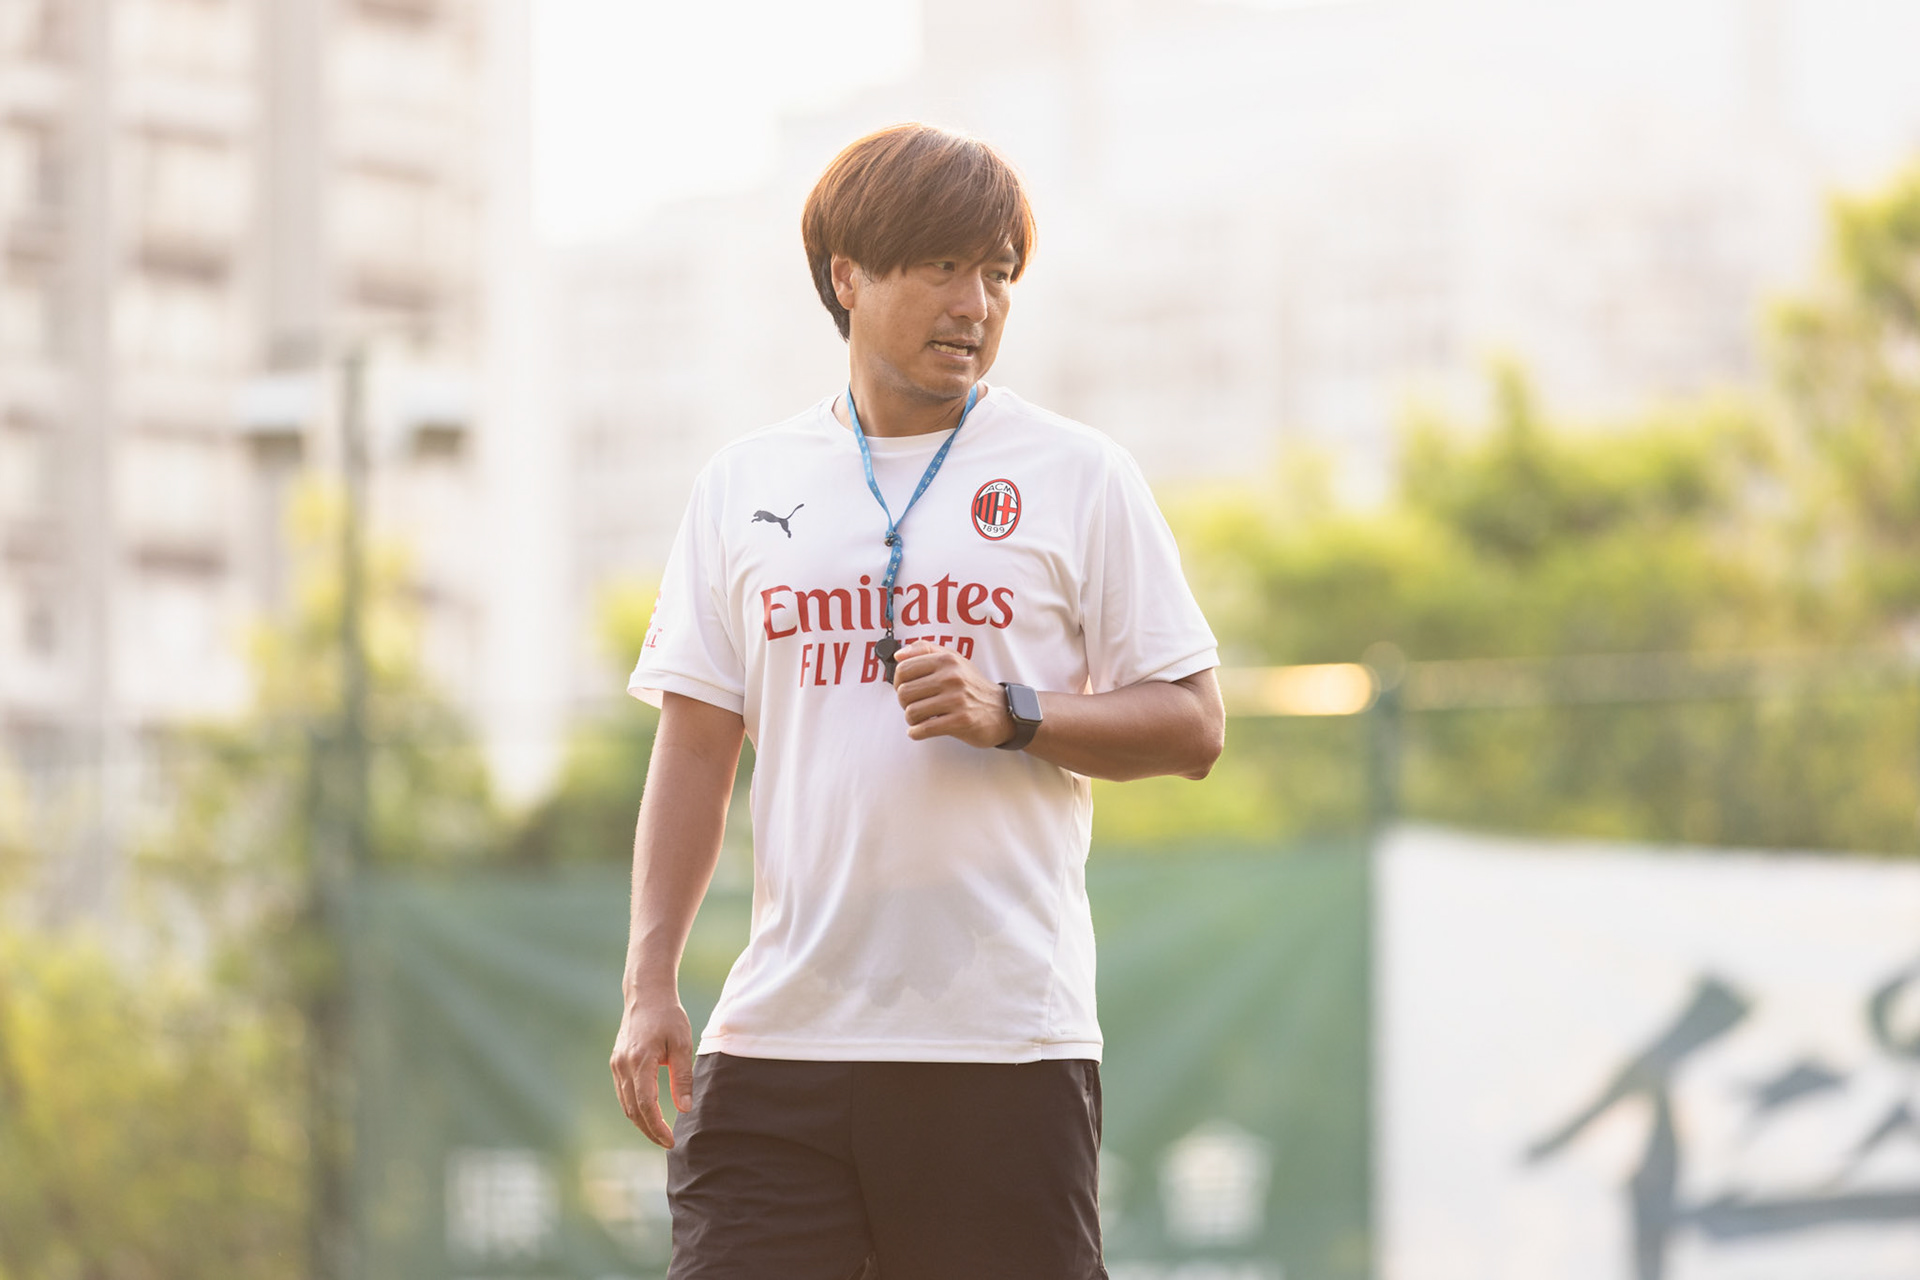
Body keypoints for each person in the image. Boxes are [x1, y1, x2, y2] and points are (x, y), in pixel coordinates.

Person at [609, 122, 1224, 1280]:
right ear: (848, 274)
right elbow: (695, 747)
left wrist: (1016, 712)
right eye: (943, 266)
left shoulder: (1078, 474)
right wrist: (649, 987)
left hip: (1000, 1046)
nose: (976, 304)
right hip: (777, 1045)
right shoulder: (744, 484)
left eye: (997, 272)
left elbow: (1195, 724)